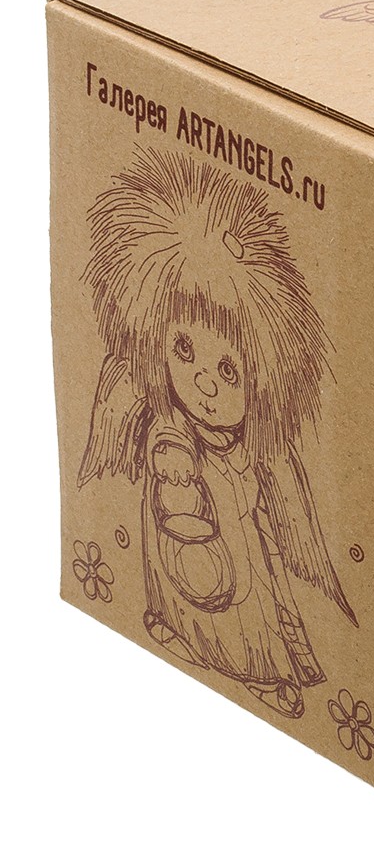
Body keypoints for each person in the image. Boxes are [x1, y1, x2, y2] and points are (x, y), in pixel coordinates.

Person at [78, 147, 355, 719]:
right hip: (186, 530)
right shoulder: (171, 424)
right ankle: (183, 633)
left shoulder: (251, 445)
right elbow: (166, 445)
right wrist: (175, 464)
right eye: (184, 349)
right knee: (194, 590)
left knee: (248, 600)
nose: (204, 382)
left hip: (237, 538)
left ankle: (262, 670)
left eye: (228, 371)